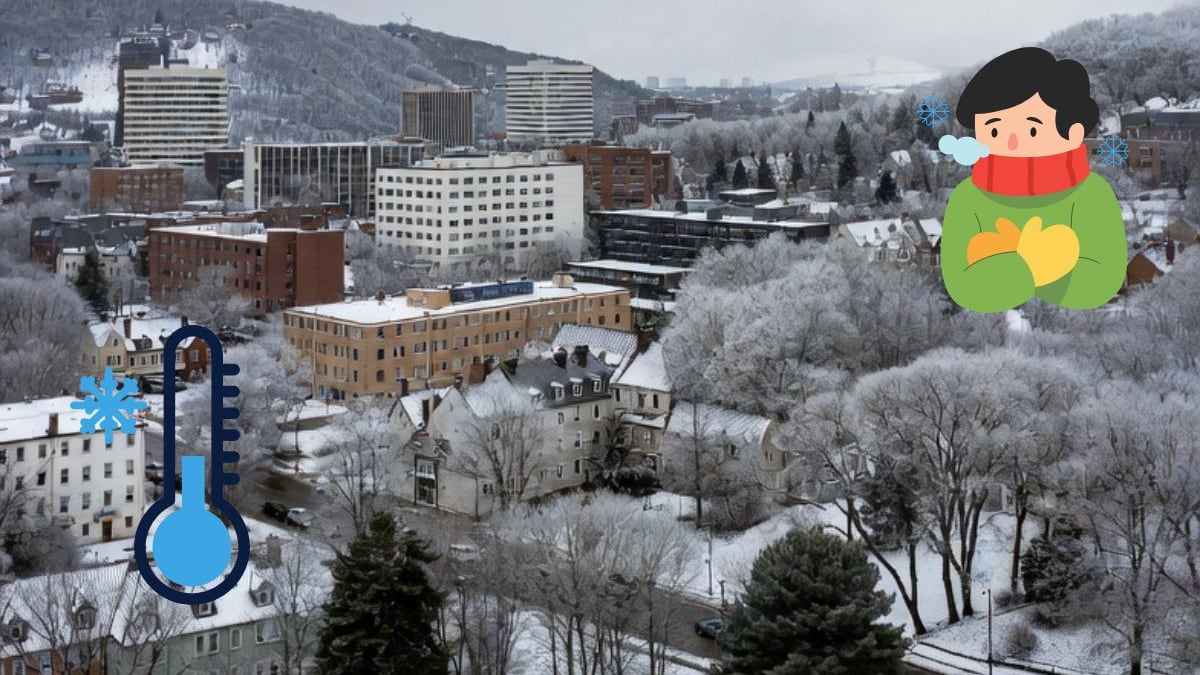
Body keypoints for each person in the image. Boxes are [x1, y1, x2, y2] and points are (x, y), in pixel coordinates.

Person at [941, 47, 1127, 312]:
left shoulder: (1090, 194)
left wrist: (1006, 267)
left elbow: (1099, 283)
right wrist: (1038, 265)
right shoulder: (968, 197)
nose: (1011, 140)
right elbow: (965, 288)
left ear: (1073, 132)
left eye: (1031, 128)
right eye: (993, 128)